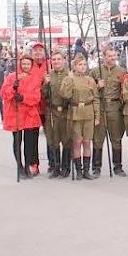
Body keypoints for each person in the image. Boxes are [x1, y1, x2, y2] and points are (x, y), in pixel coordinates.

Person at [1, 54, 42, 179]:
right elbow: (3, 94)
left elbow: (36, 98)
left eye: (28, 64)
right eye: (23, 63)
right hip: (16, 114)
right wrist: (13, 88)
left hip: (29, 114)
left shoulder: (35, 79)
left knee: (29, 143)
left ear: (31, 65)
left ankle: (28, 166)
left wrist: (24, 98)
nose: (25, 66)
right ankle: (20, 166)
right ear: (20, 64)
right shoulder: (12, 77)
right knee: (17, 141)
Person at [60, 55, 100, 180]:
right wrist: (69, 81)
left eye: (84, 64)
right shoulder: (69, 78)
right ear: (75, 66)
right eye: (80, 65)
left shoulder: (90, 80)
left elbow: (96, 99)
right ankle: (78, 169)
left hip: (88, 113)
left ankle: (86, 170)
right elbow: (65, 95)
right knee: (77, 142)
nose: (82, 67)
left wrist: (97, 115)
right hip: (75, 113)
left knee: (87, 142)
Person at [89, 47, 126, 177]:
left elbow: (125, 90)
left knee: (116, 138)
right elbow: (87, 90)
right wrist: (97, 86)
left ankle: (118, 166)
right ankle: (96, 167)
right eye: (109, 56)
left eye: (114, 56)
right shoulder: (95, 71)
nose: (112, 58)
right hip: (100, 106)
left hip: (115, 107)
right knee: (98, 138)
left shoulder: (121, 71)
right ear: (104, 57)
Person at [42, 51, 72, 179]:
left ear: (64, 60)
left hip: (66, 111)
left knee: (66, 140)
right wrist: (46, 84)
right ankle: (56, 167)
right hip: (52, 111)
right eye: (54, 60)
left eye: (58, 59)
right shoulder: (49, 75)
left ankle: (66, 167)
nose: (56, 62)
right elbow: (44, 95)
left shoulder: (69, 74)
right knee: (53, 140)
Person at [29, 43, 48, 175]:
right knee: (32, 137)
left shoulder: (50, 64)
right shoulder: (28, 65)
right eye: (35, 50)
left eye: (40, 50)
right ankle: (33, 163)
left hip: (47, 105)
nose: (38, 53)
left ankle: (53, 163)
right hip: (33, 107)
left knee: (51, 136)